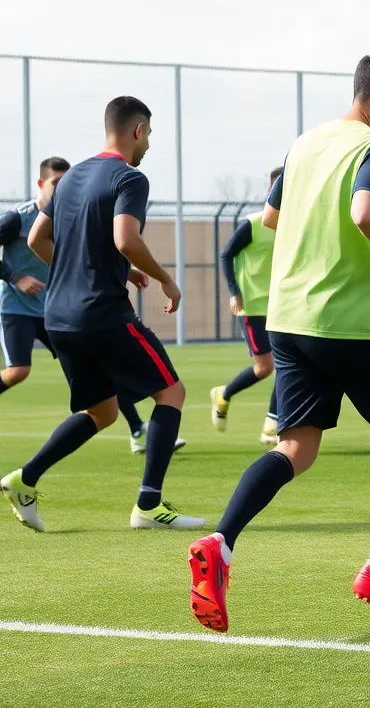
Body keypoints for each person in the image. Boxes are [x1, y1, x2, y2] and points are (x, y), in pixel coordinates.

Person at [188, 46, 370, 634]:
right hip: (344, 321)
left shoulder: (304, 144)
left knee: (296, 448)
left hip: (287, 319)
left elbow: (271, 218)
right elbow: (365, 213)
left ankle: (221, 544)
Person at [1, 97, 201, 532]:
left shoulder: (71, 177)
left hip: (59, 315)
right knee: (171, 393)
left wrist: (96, 270)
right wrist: (165, 279)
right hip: (101, 313)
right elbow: (125, 238)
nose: (149, 143)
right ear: (138, 130)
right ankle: (149, 506)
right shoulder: (130, 177)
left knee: (102, 412)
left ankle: (24, 479)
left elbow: (37, 238)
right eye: (149, 134)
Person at [0, 158, 181, 455]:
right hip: (17, 310)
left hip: (55, 309)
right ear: (40, 184)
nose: (62, 188)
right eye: (55, 183)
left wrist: (127, 271)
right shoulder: (17, 220)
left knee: (106, 370)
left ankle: (137, 429)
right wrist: (16, 277)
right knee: (19, 371)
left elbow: (84, 259)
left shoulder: (71, 214)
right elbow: (40, 244)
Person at [211, 167, 282, 445]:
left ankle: (271, 427)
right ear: (271, 191)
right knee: (265, 368)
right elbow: (226, 254)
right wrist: (234, 292)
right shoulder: (253, 223)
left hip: (282, 306)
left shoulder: (293, 227)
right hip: (253, 306)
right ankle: (224, 394)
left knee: (287, 364)